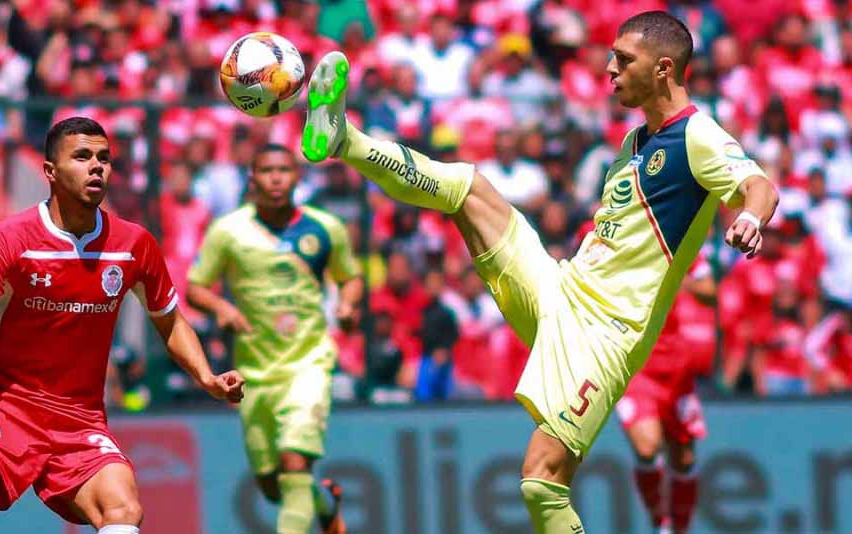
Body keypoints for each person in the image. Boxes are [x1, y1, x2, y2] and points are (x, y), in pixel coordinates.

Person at [299, 11, 779, 532]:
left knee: (541, 481)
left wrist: (750, 217)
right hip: (562, 288)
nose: (609, 67)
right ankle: (343, 137)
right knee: (467, 187)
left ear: (664, 69)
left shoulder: (698, 136)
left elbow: (760, 185)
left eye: (623, 59)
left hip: (605, 336)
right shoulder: (635, 143)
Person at [0, 117, 245, 534]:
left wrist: (206, 376)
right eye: (82, 157)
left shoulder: (134, 244)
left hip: (79, 419)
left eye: (103, 158)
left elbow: (170, 321)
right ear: (50, 171)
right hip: (7, 407)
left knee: (123, 510)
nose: (96, 166)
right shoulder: (12, 238)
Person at [186, 144, 360, 534]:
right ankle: (325, 504)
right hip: (254, 371)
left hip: (308, 362)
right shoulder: (229, 231)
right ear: (252, 179)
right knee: (270, 484)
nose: (276, 178)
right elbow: (196, 287)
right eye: (267, 170)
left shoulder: (325, 227)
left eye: (284, 170)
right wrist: (222, 309)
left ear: (297, 177)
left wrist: (348, 306)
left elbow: (350, 278)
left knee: (296, 463)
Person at [615, 258, 716, 534]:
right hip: (635, 366)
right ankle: (660, 522)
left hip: (674, 369)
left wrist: (679, 279)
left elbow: (709, 291)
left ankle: (679, 529)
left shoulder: (677, 240)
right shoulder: (600, 233)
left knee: (684, 460)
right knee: (647, 447)